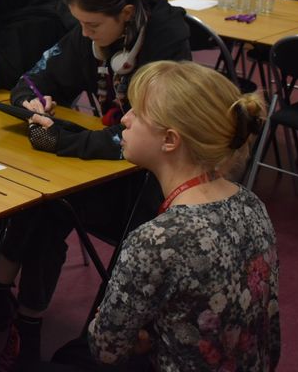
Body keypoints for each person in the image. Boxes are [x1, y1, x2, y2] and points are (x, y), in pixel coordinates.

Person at [0, 0, 191, 371]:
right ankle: (22, 323)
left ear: (126, 13)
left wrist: (57, 140)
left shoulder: (168, 42)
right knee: (46, 203)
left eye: (93, 26)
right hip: (114, 166)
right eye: (80, 24)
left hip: (160, 185)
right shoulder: (92, 34)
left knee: (64, 200)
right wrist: (34, 100)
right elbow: (31, 78)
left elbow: (148, 137)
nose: (83, 35)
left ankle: (86, 338)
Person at [88, 60, 280, 371]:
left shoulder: (156, 241)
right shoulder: (251, 204)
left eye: (136, 112)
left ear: (170, 140)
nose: (124, 119)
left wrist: (137, 333)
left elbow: (106, 348)